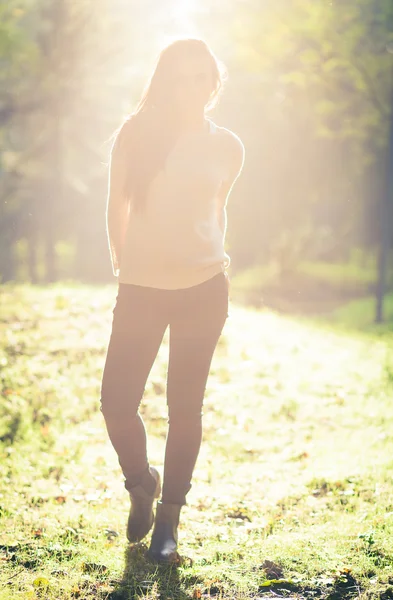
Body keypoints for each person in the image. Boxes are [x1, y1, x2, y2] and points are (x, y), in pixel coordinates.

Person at [100, 37, 245, 564]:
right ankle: (141, 481)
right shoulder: (136, 135)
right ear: (165, 81)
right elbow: (115, 205)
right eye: (180, 78)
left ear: (214, 82)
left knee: (184, 410)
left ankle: (169, 526)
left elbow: (216, 212)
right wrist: (124, 266)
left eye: (201, 77)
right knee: (115, 404)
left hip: (204, 290)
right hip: (140, 288)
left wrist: (211, 260)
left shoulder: (228, 145)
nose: (192, 88)